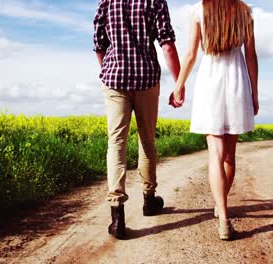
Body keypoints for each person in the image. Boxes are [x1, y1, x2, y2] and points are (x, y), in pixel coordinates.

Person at [169, 0, 259, 240]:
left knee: (215, 155)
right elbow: (251, 55)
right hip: (237, 82)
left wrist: (178, 86)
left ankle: (224, 217)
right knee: (229, 156)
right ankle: (220, 208)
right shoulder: (245, 11)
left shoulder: (199, 10)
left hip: (210, 83)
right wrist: (254, 92)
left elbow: (190, 54)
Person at [93, 0, 181, 239]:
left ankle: (117, 215)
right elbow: (168, 45)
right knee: (147, 141)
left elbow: (99, 44)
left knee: (116, 143)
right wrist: (179, 83)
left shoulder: (106, 1)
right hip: (146, 79)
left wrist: (110, 71)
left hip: (114, 79)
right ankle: (149, 200)